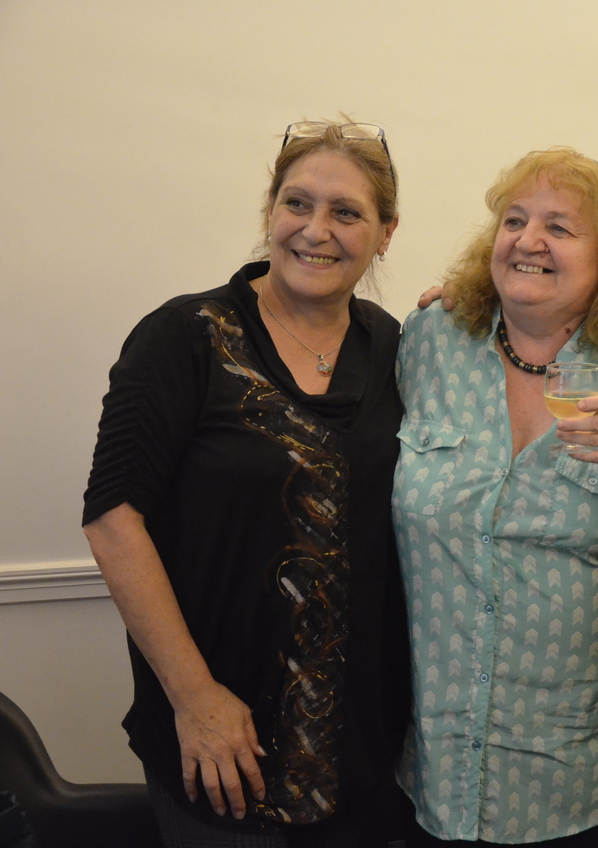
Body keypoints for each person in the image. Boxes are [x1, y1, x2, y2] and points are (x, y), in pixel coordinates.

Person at [82, 120, 409, 847]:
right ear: (270, 211)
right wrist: (194, 697)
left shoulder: (398, 347)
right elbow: (113, 518)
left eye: (346, 212)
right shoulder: (185, 336)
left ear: (386, 233)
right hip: (223, 749)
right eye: (297, 203)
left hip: (367, 750)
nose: (315, 230)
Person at [393, 147, 598, 846]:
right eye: (515, 221)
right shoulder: (431, 339)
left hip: (592, 778)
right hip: (440, 772)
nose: (529, 240)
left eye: (559, 227)